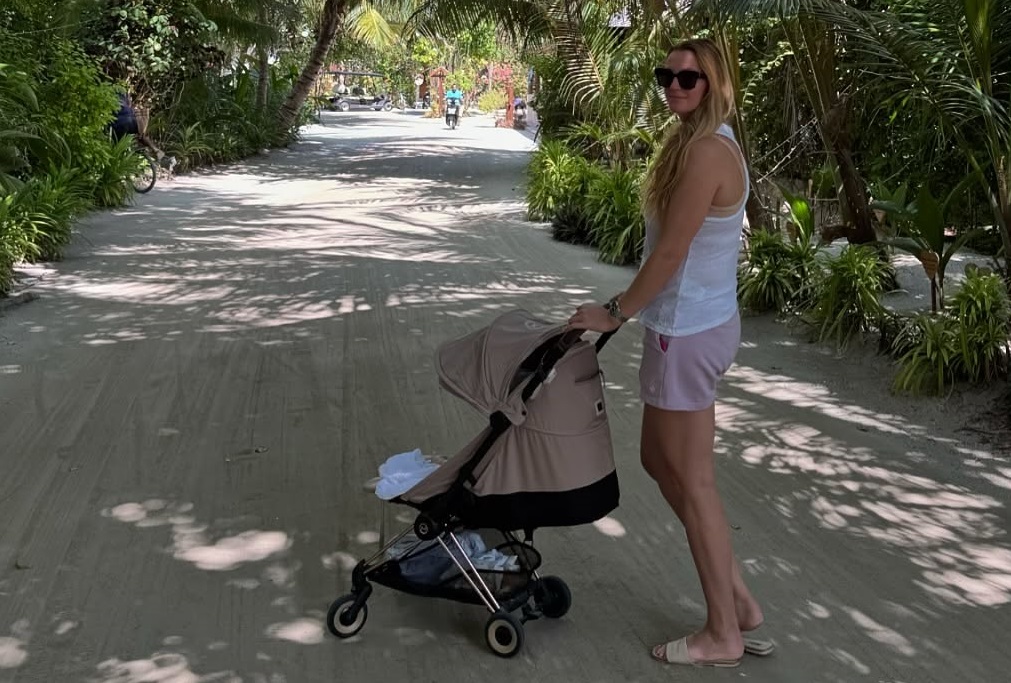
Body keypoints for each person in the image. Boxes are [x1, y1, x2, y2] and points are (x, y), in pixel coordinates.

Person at [567, 38, 770, 668]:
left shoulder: (708, 151)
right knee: (658, 459)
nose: (675, 85)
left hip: (686, 332)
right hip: (689, 326)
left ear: (716, 84)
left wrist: (616, 311)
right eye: (668, 75)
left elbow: (671, 252)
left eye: (690, 77)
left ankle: (723, 632)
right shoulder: (697, 142)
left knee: (694, 480)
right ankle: (738, 602)